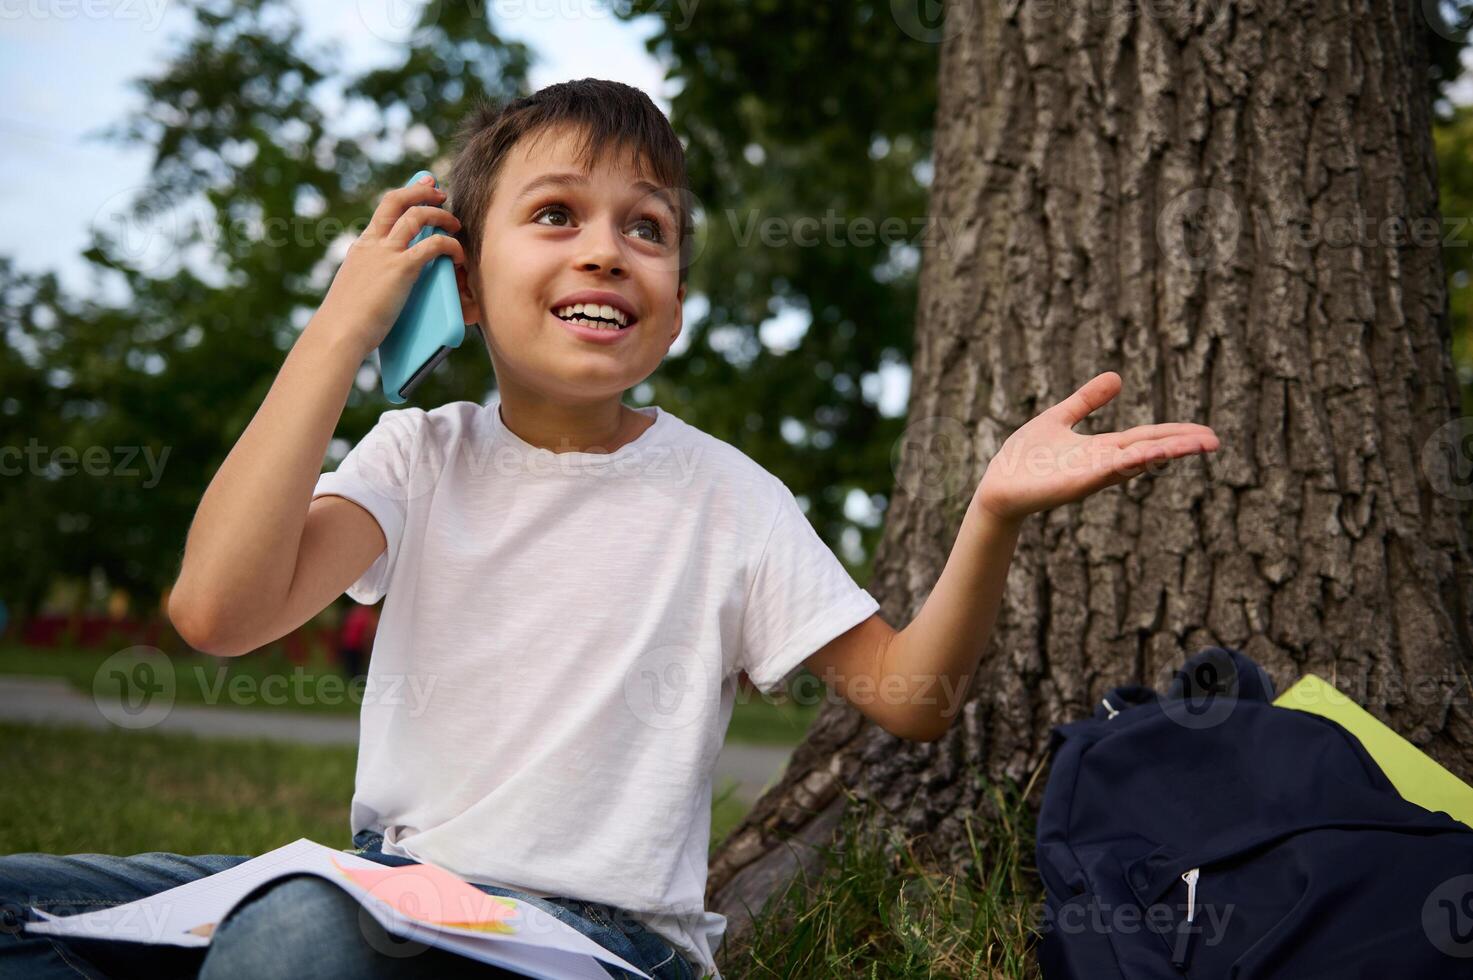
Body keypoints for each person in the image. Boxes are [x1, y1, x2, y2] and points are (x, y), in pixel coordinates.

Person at [0, 77, 1218, 980]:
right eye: (557, 214)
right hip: (389, 893)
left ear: (675, 303)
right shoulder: (417, 456)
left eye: (648, 227)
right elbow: (216, 611)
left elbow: (912, 693)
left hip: (599, 942)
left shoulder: (724, 492)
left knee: (289, 937)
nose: (608, 247)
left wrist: (992, 512)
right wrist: (339, 331)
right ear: (463, 286)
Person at [337, 601, 377, 682]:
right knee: (355, 663)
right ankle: (355, 680)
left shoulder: (354, 611)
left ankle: (352, 679)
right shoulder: (367, 614)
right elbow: (368, 630)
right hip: (355, 643)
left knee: (351, 663)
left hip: (349, 641)